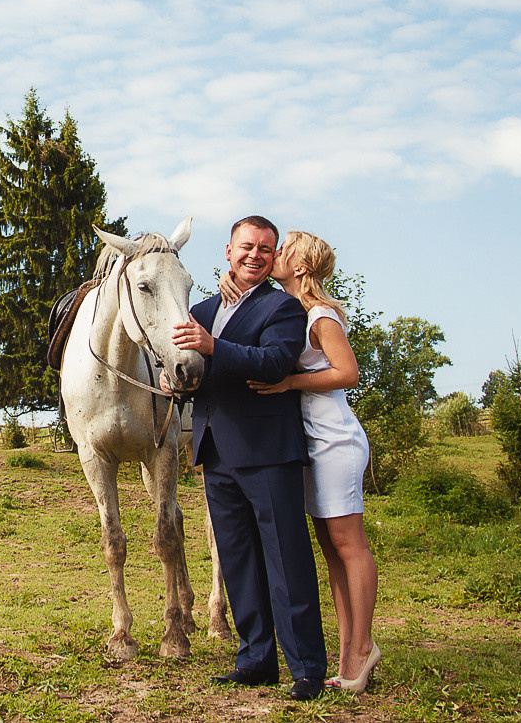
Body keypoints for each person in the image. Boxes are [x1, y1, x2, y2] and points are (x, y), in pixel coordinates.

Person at [170, 216, 327, 701]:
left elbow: (277, 363)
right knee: (237, 561)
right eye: (246, 246)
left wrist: (214, 347)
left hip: (268, 452)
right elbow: (191, 368)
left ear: (273, 255)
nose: (255, 255)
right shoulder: (198, 308)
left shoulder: (282, 308)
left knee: (287, 560)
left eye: (265, 248)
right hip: (214, 451)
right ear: (228, 250)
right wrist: (174, 383)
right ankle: (255, 660)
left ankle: (306, 669)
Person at [222, 230, 380, 693]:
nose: (271, 257)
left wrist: (290, 384)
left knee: (349, 543)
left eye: (282, 251)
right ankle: (350, 647)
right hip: (304, 440)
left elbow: (347, 373)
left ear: (301, 266)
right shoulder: (284, 310)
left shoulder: (319, 314)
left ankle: (361, 648)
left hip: (333, 437)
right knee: (329, 548)